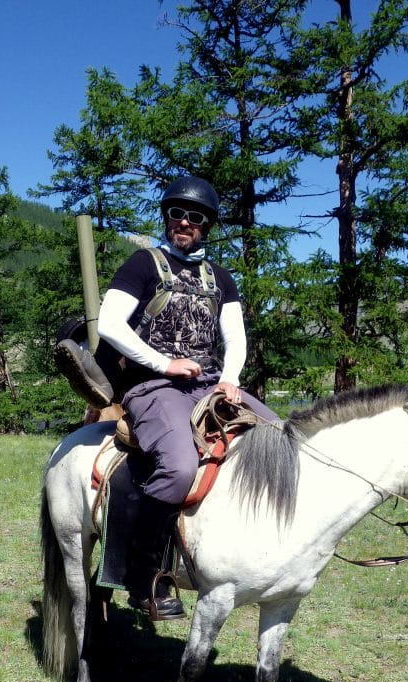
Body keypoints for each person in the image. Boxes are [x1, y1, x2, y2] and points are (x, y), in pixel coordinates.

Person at [56, 176, 276, 620]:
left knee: (281, 441)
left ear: (207, 225)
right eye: (177, 214)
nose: (184, 222)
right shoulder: (143, 264)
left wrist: (230, 379)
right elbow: (113, 325)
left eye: (195, 217)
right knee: (177, 467)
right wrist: (163, 364)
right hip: (152, 386)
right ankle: (145, 577)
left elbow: (235, 336)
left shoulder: (221, 278)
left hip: (210, 383)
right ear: (166, 217)